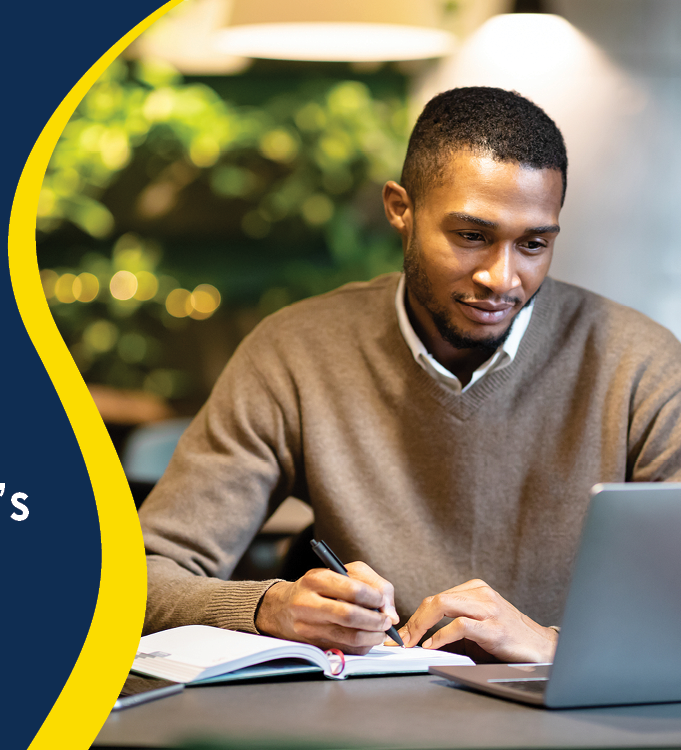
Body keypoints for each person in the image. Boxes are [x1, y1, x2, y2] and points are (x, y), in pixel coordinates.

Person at [139, 86, 681, 663]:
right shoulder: (296, 352)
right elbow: (138, 580)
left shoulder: (639, 363)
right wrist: (269, 607)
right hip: (367, 720)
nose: (503, 278)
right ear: (401, 208)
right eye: (472, 236)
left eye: (533, 244)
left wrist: (555, 648)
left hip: (574, 722)